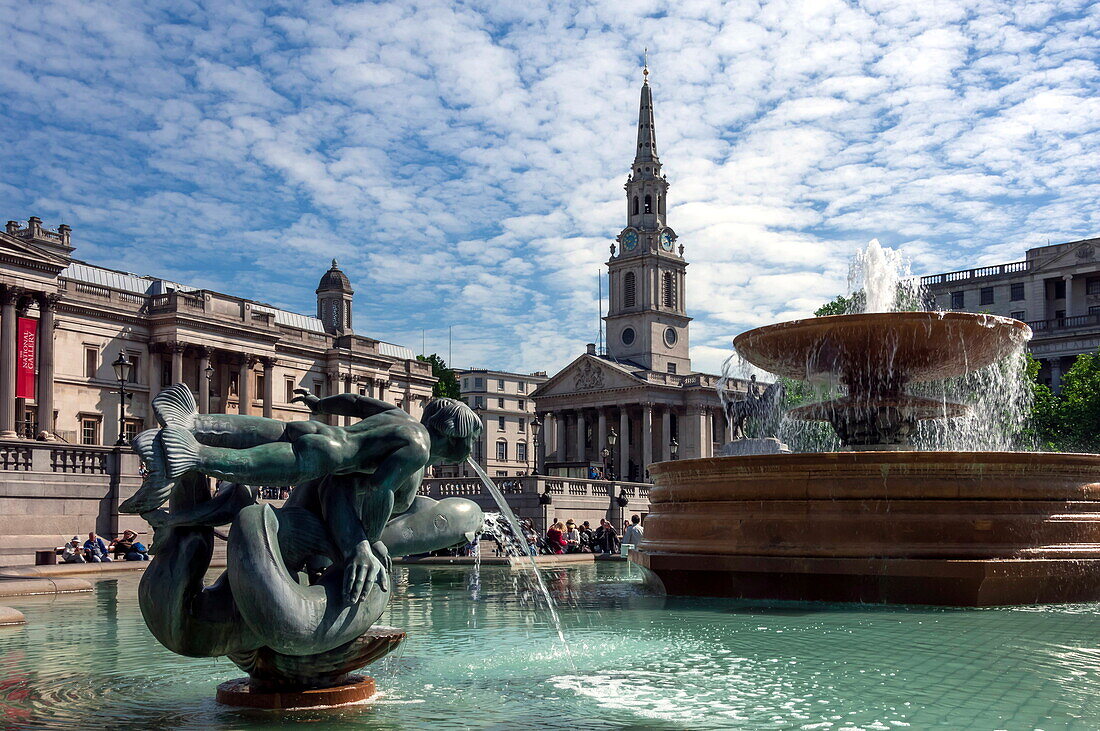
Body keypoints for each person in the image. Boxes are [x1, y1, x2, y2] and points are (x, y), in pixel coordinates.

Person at [128, 385, 480, 602]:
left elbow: (357, 402)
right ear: (452, 435)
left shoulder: (403, 418)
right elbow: (378, 491)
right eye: (470, 440)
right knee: (245, 464)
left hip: (317, 429)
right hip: (324, 458)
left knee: (258, 434)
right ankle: (188, 455)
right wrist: (366, 543)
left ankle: (191, 422)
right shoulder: (417, 449)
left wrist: (319, 401)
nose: (470, 448)